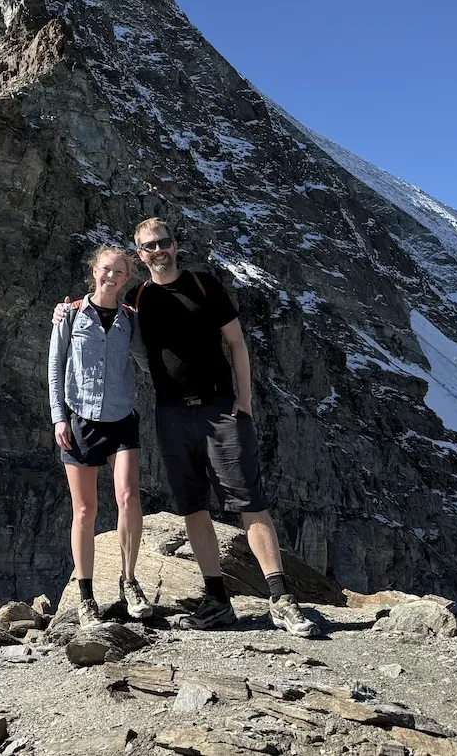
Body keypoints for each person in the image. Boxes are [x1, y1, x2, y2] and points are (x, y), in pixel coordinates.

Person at [56, 219, 316, 638]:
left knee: (248, 500)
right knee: (192, 506)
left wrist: (244, 402)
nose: (156, 251)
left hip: (219, 408)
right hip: (171, 413)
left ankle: (281, 598)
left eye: (162, 243)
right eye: (147, 246)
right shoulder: (138, 300)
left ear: (175, 246)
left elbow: (236, 343)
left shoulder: (204, 286)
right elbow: (120, 342)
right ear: (139, 256)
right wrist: (67, 313)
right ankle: (217, 600)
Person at [48, 245, 154, 627]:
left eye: (120, 273)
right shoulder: (71, 314)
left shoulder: (130, 320)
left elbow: (147, 360)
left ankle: (129, 581)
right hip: (81, 420)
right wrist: (59, 418)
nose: (112, 277)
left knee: (128, 497)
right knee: (85, 511)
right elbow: (56, 366)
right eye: (106, 270)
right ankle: (86, 595)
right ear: (94, 271)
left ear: (128, 279)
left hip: (122, 417)